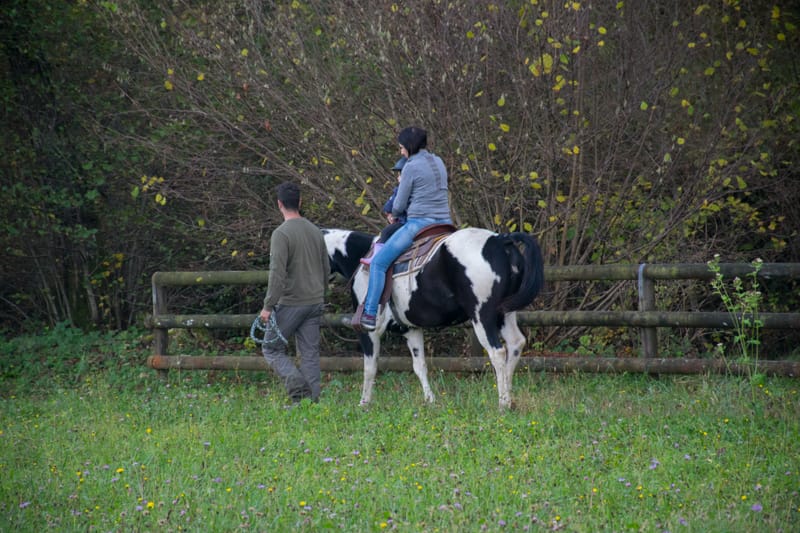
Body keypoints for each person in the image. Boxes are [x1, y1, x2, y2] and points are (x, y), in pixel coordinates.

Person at [359, 126, 452, 330]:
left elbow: (399, 205)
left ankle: (370, 313)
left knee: (379, 263)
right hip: (445, 223)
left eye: (401, 147)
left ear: (409, 146)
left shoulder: (410, 166)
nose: (401, 152)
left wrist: (394, 212)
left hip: (420, 223)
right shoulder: (438, 161)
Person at [259, 182, 330, 403]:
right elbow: (326, 268)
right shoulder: (315, 231)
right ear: (299, 202)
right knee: (309, 354)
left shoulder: (281, 234)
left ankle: (298, 388)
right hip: (315, 300)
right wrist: (321, 294)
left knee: (271, 348)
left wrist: (268, 306)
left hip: (291, 302)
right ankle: (312, 401)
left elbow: (277, 274)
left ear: (279, 204)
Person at [360, 156, 407, 265]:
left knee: (386, 232)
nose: (398, 178)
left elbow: (391, 205)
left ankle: (377, 258)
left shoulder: (402, 189)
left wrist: (391, 213)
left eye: (400, 175)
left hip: (405, 221)